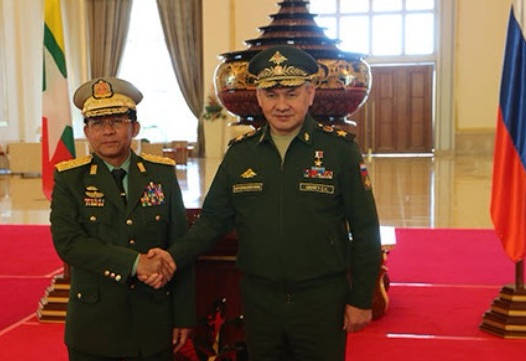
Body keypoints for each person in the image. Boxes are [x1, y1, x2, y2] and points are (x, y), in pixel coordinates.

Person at [148, 45, 382, 361]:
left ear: (310, 93)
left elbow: (366, 228)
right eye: (271, 95)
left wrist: (361, 298)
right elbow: (213, 220)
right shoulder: (241, 153)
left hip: (321, 299)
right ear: (259, 97)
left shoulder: (340, 151)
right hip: (260, 301)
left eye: (291, 93)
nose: (281, 105)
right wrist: (172, 257)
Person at [50, 77, 195, 361]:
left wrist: (183, 315)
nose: (108, 131)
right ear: (87, 131)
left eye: (117, 121)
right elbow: (68, 243)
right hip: (95, 325)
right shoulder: (70, 178)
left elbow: (180, 245)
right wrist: (134, 262)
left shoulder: (161, 174)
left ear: (135, 127)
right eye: (98, 123)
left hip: (153, 321)